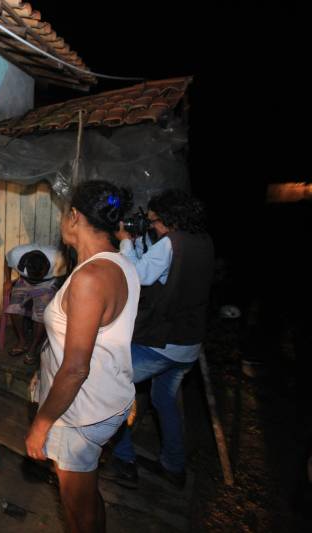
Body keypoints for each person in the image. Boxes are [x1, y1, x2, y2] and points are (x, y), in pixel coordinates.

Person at [25, 180, 140, 533]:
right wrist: (44, 371)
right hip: (105, 400)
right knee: (86, 493)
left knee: (76, 510)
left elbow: (75, 369)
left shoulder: (90, 278)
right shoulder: (118, 263)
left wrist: (41, 425)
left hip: (80, 413)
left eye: (64, 213)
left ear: (74, 216)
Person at [102, 189, 215, 489]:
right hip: (189, 344)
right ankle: (173, 467)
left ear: (170, 220)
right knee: (163, 399)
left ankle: (124, 462)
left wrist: (126, 243)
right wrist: (138, 246)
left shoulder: (170, 244)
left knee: (113, 386)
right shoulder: (203, 241)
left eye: (154, 222)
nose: (151, 226)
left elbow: (138, 276)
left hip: (165, 344)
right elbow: (162, 273)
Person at [3, 243, 60, 364]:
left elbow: (64, 276)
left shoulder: (58, 258)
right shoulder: (15, 255)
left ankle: (33, 349)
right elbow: (6, 260)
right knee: (13, 308)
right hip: (25, 281)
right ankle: (22, 342)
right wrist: (8, 280)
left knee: (41, 316)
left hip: (47, 284)